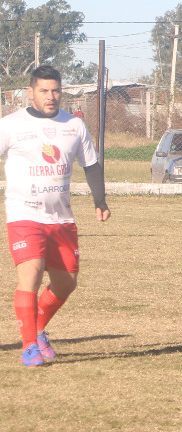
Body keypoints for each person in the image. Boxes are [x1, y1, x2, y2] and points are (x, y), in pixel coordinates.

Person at [0, 65, 110, 367]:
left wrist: (100, 201)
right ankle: (29, 347)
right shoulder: (10, 125)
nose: (51, 96)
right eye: (44, 91)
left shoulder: (74, 125)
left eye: (56, 90)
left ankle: (37, 329)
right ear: (30, 92)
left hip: (61, 218)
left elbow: (91, 165)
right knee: (32, 273)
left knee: (66, 283)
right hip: (23, 214)